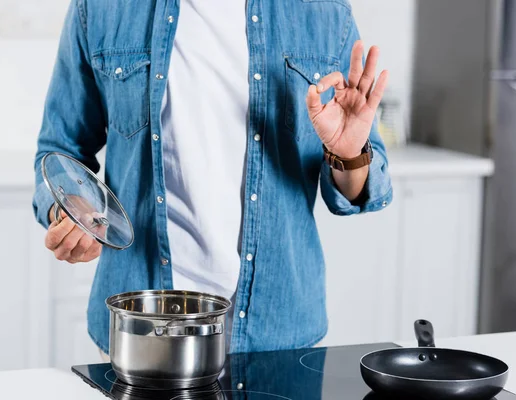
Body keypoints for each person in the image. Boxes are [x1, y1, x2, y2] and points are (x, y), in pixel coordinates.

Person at [32, 0, 393, 356]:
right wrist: (71, 211)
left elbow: (361, 188)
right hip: (140, 329)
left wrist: (347, 154)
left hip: (276, 332)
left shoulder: (325, 11)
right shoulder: (100, 8)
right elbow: (60, 146)